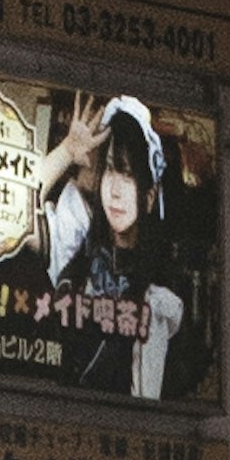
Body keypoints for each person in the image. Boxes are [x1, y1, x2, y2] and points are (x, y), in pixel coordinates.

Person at [40, 91, 188, 400]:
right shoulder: (77, 260)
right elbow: (13, 213)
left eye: (129, 175)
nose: (116, 190)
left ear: (149, 197)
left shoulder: (160, 298)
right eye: (109, 169)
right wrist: (67, 151)